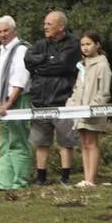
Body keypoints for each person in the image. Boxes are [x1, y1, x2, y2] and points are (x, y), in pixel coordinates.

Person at [24, 10, 81, 185]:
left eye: (49, 24)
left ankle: (65, 177)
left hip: (63, 99)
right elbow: (28, 60)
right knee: (41, 141)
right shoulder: (40, 44)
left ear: (61, 26)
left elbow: (63, 65)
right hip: (40, 99)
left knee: (66, 141)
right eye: (45, 23)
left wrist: (41, 66)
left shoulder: (73, 44)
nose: (45, 27)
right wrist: (46, 59)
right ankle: (41, 177)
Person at [66, 31, 112, 187]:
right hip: (79, 110)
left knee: (92, 143)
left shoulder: (102, 65)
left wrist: (93, 107)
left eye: (88, 44)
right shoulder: (82, 65)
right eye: (82, 45)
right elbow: (78, 87)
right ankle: (86, 178)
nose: (85, 48)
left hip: (93, 111)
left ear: (97, 45)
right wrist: (72, 105)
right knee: (84, 143)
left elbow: (104, 92)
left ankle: (91, 178)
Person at [0, 16, 32, 191]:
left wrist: (9, 103)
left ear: (14, 30)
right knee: (4, 142)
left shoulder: (21, 49)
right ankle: (4, 182)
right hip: (3, 101)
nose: (2, 34)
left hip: (17, 100)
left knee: (18, 141)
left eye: (6, 31)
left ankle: (19, 181)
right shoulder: (3, 50)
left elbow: (20, 81)